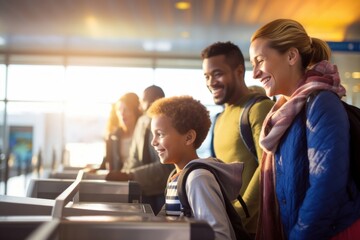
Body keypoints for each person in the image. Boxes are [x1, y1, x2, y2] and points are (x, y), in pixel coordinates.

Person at [249, 19, 360, 240]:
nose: (255, 73)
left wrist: (300, 235)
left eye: (260, 61)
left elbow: (327, 184)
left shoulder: (322, 103)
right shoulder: (282, 112)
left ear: (291, 56)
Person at [201, 41, 274, 236]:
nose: (210, 82)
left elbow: (268, 167)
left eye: (217, 74)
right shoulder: (220, 118)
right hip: (228, 226)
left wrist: (239, 215)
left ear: (239, 71)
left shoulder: (259, 109)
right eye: (207, 76)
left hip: (253, 230)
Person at [148, 95, 245, 240]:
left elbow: (218, 235)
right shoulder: (176, 176)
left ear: (189, 138)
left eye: (160, 134)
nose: (153, 142)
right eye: (153, 135)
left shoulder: (198, 179)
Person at [106, 85, 174, 214]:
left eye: (143, 101)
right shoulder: (142, 122)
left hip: (161, 192)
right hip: (142, 189)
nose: (140, 106)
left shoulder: (167, 126)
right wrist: (123, 176)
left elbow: (166, 167)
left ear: (157, 100)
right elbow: (134, 157)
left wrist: (130, 175)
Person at [90, 92, 142, 172]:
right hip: (117, 182)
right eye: (119, 110)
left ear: (135, 111)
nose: (122, 113)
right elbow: (106, 164)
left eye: (126, 109)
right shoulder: (112, 137)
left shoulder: (144, 135)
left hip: (136, 182)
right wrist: (93, 169)